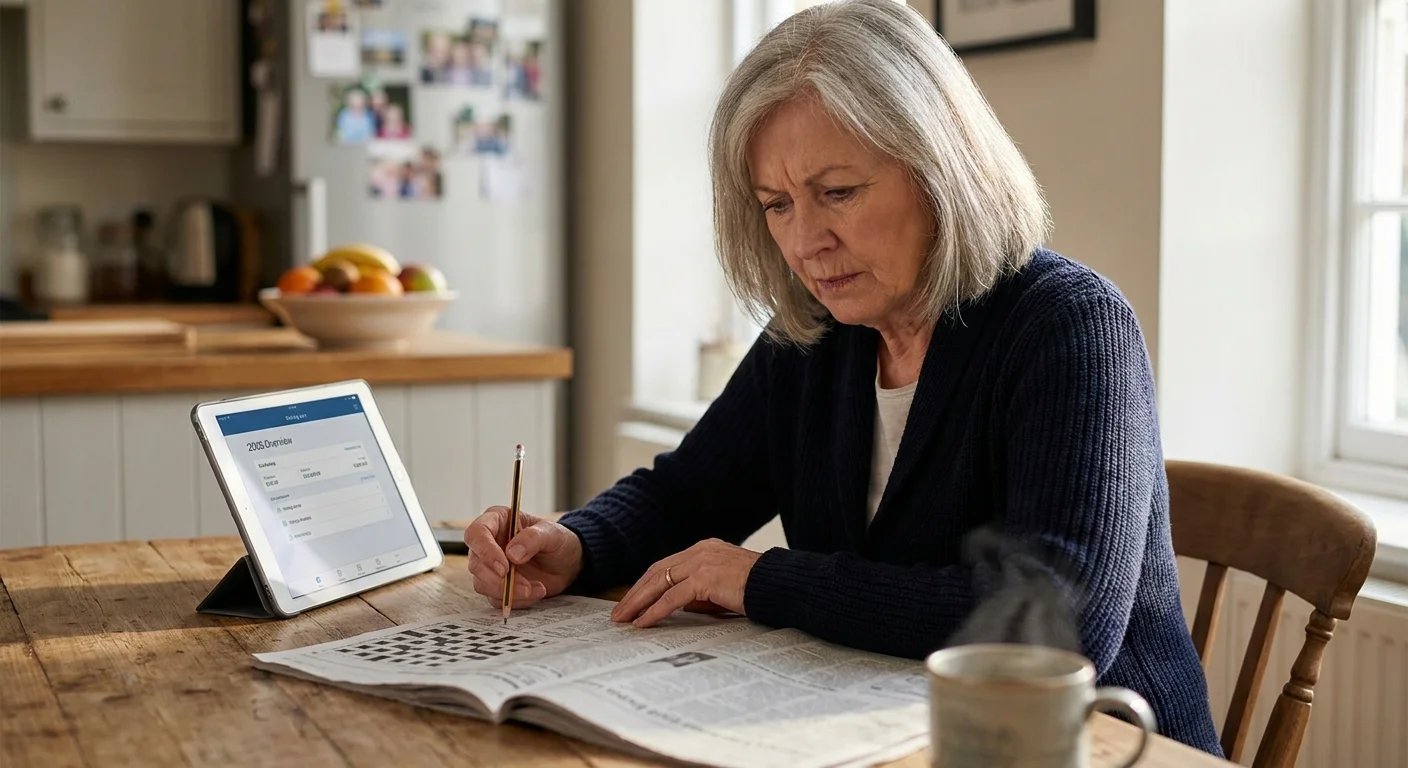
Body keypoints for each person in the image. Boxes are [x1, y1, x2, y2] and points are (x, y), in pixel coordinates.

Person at [461, 0, 1223, 756]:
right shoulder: (816, 329)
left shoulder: (1069, 325)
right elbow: (688, 492)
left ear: (940, 167)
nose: (806, 242)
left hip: (1102, 746)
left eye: (838, 193)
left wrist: (766, 580)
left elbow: (1056, 618)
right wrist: (574, 542)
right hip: (888, 732)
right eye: (776, 205)